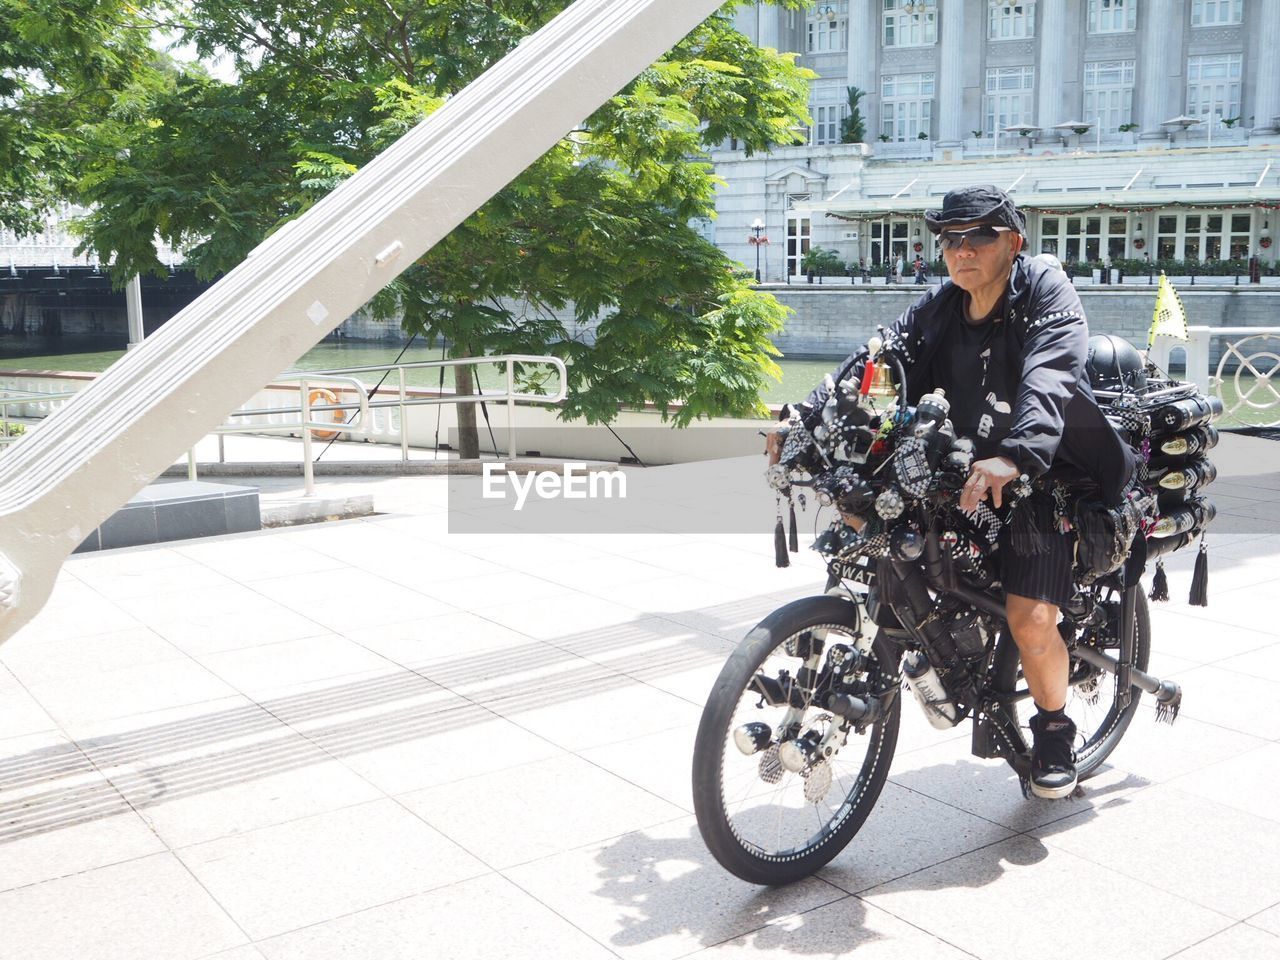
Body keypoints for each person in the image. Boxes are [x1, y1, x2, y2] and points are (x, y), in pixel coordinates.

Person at [767, 184, 1135, 800]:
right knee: (883, 530)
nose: (962, 250)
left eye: (978, 236)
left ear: (1013, 242)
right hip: (966, 466)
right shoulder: (942, 304)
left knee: (1030, 616)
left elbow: (1050, 378)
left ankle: (1052, 727)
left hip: (1046, 473)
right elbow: (879, 364)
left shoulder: (1045, 286)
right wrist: (805, 418)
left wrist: (1014, 456)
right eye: (950, 239)